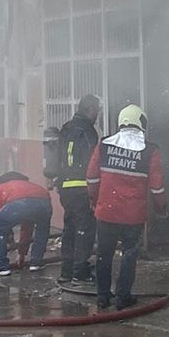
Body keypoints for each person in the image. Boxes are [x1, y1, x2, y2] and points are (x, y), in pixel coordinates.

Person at [86, 104, 166, 311]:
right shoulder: (150, 151)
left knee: (104, 254)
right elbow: (157, 187)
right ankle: (123, 297)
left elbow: (92, 177)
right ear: (142, 123)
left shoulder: (103, 145)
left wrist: (95, 201)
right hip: (133, 216)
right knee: (129, 255)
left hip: (106, 212)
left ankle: (102, 297)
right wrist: (161, 208)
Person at [53, 95, 101, 286]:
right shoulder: (88, 131)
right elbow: (92, 162)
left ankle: (66, 270)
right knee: (85, 229)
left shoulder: (66, 128)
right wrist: (94, 191)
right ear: (89, 109)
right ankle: (80, 272)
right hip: (82, 187)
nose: (97, 114)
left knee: (70, 229)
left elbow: (58, 157)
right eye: (96, 110)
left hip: (65, 188)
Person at [0, 171, 53, 277]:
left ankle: (2, 267)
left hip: (20, 203)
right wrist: (22, 253)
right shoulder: (29, 185)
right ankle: (36, 262)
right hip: (45, 202)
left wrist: (9, 238)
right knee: (42, 230)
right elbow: (27, 227)